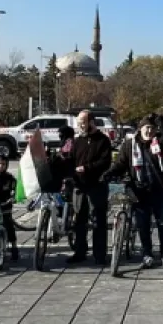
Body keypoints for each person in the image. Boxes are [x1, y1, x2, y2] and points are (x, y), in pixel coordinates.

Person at [105, 114, 163, 268]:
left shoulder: (158, 143)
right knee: (142, 225)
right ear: (140, 129)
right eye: (146, 128)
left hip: (158, 189)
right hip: (139, 190)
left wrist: (159, 119)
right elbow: (120, 164)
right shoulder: (129, 145)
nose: (149, 131)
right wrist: (109, 174)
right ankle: (147, 254)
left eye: (152, 128)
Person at [69, 111, 113, 265]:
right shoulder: (77, 141)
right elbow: (70, 158)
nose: (80, 125)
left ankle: (99, 254)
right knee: (79, 219)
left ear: (92, 122)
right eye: (79, 122)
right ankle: (80, 251)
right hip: (79, 186)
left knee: (98, 221)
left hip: (97, 185)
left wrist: (87, 168)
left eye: (83, 121)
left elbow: (105, 162)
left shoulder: (103, 140)